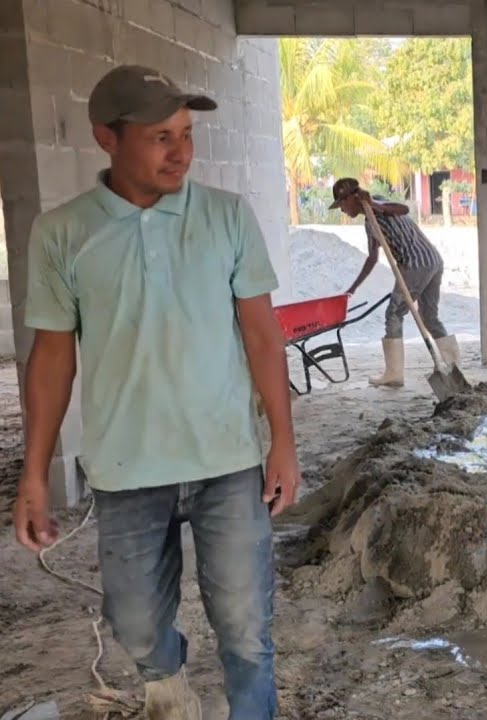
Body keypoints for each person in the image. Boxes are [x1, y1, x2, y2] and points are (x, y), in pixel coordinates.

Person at [11, 65, 299, 718]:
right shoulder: (63, 233)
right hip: (126, 468)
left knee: (247, 630)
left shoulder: (226, 216)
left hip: (227, 460)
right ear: (106, 138)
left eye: (186, 134)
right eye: (160, 137)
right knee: (135, 623)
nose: (181, 152)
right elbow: (52, 357)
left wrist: (282, 441)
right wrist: (34, 474)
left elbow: (263, 337)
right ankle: (167, 676)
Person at [330, 178, 458, 387]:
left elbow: (403, 209)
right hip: (431, 260)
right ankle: (452, 366)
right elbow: (373, 258)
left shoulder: (378, 202)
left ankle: (394, 373)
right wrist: (353, 288)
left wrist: (373, 204)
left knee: (394, 313)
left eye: (342, 204)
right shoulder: (369, 223)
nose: (342, 210)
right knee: (429, 316)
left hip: (416, 263)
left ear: (351, 198)